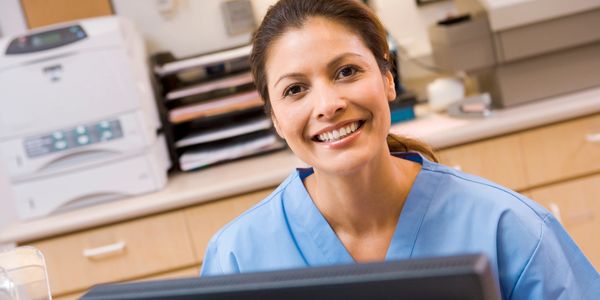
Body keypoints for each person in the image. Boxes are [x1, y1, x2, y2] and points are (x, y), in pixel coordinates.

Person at [200, 0, 599, 298]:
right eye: (295, 89)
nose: (328, 105)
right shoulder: (236, 258)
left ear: (388, 78)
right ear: (274, 117)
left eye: (347, 71)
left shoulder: (508, 227)